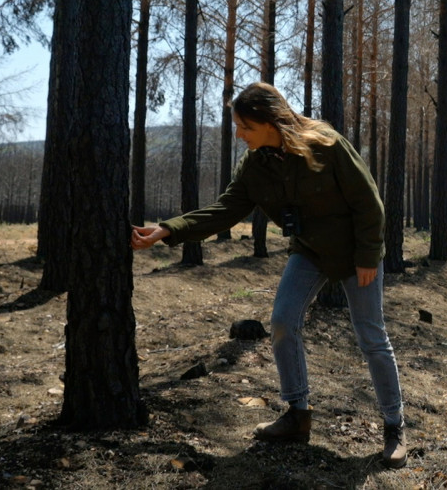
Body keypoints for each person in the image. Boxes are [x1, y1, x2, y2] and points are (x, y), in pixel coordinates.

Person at [131, 82, 406, 469]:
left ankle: (394, 427)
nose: (239, 135)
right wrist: (168, 229)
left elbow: (369, 201)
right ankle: (297, 414)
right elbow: (225, 210)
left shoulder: (325, 145)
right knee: (281, 322)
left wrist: (367, 256)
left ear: (270, 121)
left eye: (245, 126)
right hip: (308, 252)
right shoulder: (254, 165)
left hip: (355, 252)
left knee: (371, 336)